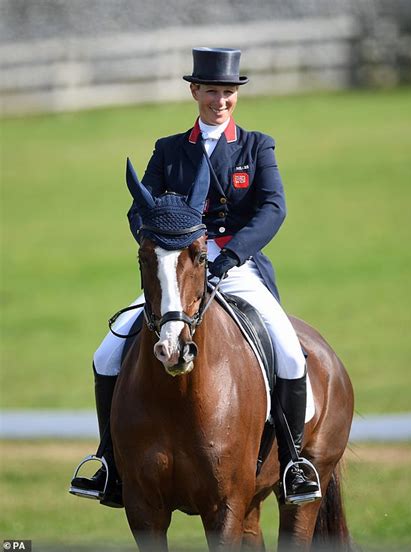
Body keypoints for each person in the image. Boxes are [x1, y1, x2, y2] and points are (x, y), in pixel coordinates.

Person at [70, 47, 319, 507]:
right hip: (177, 272)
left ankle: (293, 463)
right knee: (107, 353)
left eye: (228, 93)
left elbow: (273, 208)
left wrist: (231, 254)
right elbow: (137, 208)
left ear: (235, 96)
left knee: (290, 353)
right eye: (211, 91)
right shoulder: (168, 150)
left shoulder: (255, 146)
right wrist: (159, 242)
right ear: (195, 92)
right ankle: (110, 463)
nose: (220, 100)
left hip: (237, 270)